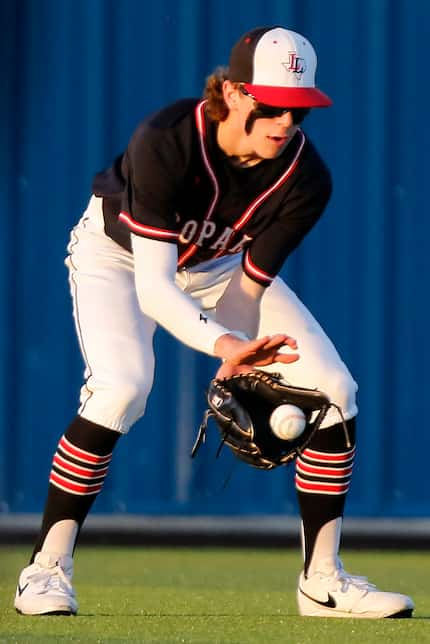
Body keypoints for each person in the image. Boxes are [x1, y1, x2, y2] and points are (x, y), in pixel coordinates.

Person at [14, 25, 414, 619]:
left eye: (299, 111)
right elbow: (154, 287)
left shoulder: (306, 179)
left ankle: (322, 581)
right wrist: (224, 344)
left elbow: (245, 292)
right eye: (272, 104)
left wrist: (235, 362)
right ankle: (45, 570)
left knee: (336, 391)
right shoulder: (167, 140)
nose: (285, 122)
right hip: (119, 260)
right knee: (121, 389)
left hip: (220, 270)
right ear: (231, 93)